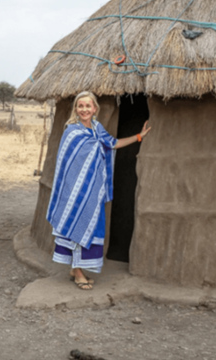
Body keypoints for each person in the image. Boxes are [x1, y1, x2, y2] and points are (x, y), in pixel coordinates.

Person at [47, 91, 151, 290]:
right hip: (75, 193)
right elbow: (66, 166)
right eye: (80, 106)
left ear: (95, 109)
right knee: (77, 225)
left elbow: (114, 144)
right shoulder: (72, 132)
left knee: (89, 227)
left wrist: (139, 136)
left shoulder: (97, 129)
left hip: (93, 191)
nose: (84, 109)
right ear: (76, 109)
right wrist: (73, 191)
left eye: (88, 106)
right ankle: (77, 272)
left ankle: (76, 269)